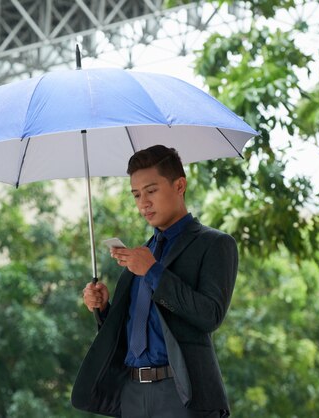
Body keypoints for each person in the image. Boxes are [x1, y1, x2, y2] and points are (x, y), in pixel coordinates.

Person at [71, 145, 238, 418]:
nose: (143, 203)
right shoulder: (142, 253)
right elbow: (136, 326)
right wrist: (102, 308)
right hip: (132, 393)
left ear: (179, 185)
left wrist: (153, 271)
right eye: (136, 194)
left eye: (151, 190)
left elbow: (210, 315)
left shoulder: (215, 244)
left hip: (183, 395)